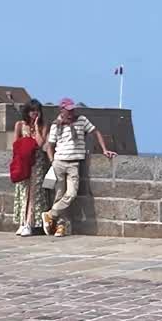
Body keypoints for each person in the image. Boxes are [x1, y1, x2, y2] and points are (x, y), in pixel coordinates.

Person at [41, 98, 117, 237]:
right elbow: (50, 146)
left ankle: (50, 215)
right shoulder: (56, 125)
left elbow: (96, 132)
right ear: (62, 110)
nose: (71, 112)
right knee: (59, 195)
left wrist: (104, 149)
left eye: (72, 110)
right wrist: (52, 162)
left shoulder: (81, 120)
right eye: (68, 110)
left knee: (71, 193)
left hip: (74, 163)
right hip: (59, 162)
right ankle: (60, 227)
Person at [13, 99, 50, 236]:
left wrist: (36, 127)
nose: (34, 113)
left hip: (37, 163)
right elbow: (15, 144)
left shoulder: (43, 126)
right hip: (24, 162)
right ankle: (22, 222)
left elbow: (40, 143)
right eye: (32, 110)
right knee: (23, 192)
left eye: (37, 110)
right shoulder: (20, 125)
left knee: (34, 193)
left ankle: (29, 222)